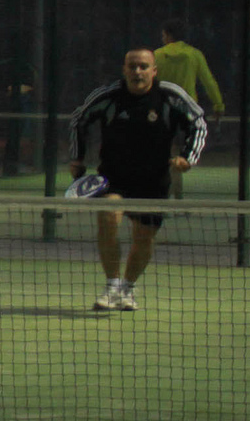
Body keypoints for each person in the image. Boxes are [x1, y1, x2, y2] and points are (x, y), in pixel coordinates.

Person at [69, 47, 208, 312]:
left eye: (143, 66)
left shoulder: (170, 96)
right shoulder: (108, 96)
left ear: (154, 71)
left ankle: (128, 288)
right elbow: (79, 119)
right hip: (114, 177)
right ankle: (112, 286)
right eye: (132, 66)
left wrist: (188, 157)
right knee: (108, 217)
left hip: (153, 181)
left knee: (144, 237)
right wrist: (77, 157)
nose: (137, 71)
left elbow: (198, 122)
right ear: (124, 70)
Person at [155, 20, 225, 198]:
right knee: (179, 155)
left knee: (164, 153)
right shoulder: (194, 55)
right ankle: (177, 196)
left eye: (163, 35)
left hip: (163, 110)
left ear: (168, 36)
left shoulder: (157, 55)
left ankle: (164, 193)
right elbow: (208, 81)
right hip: (187, 112)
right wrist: (218, 105)